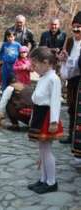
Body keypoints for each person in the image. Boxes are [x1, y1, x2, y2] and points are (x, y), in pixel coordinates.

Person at [27, 47, 63, 194]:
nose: (33, 68)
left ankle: (51, 182)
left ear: (46, 62)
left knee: (47, 151)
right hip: (39, 115)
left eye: (35, 65)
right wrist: (31, 118)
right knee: (42, 150)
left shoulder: (54, 79)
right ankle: (43, 179)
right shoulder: (43, 78)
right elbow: (36, 99)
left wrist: (54, 121)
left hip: (47, 117)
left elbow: (55, 101)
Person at [59, 11, 81, 144]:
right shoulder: (69, 41)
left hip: (80, 77)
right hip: (72, 79)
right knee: (72, 107)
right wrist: (62, 58)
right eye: (75, 26)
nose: (76, 29)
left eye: (79, 27)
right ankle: (71, 135)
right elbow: (64, 57)